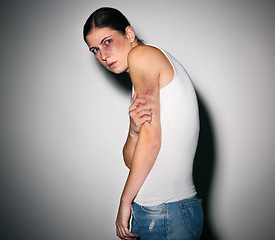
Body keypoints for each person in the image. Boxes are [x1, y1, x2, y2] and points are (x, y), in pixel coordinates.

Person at [83, 7, 203, 240]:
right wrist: (134, 131)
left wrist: (124, 201)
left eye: (107, 41)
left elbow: (153, 142)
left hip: (166, 214)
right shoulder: (145, 68)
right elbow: (132, 160)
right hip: (162, 213)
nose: (102, 55)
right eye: (95, 49)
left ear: (129, 33)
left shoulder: (142, 56)